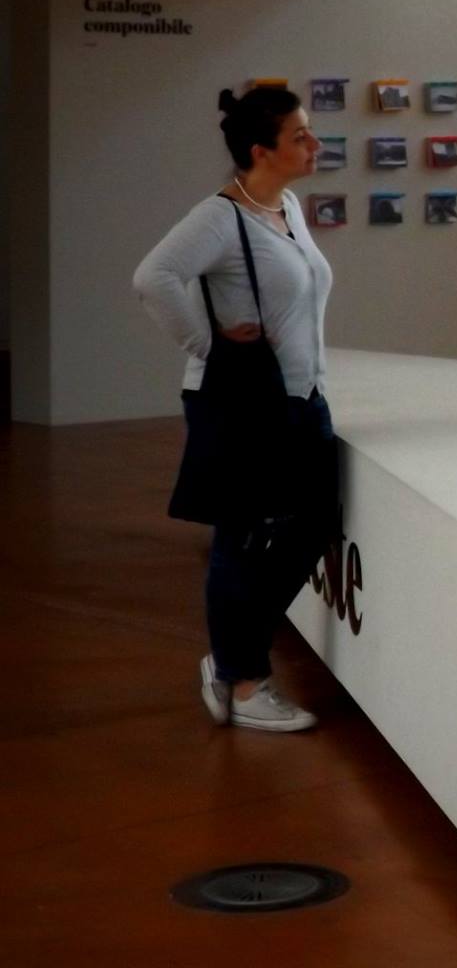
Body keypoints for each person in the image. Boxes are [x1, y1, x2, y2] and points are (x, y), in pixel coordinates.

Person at [134, 87, 335, 734]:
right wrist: (209, 343)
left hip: (301, 397)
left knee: (315, 522)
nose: (314, 143)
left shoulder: (288, 207)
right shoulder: (221, 217)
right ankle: (244, 682)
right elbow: (154, 276)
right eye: (299, 135)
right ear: (260, 150)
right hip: (244, 401)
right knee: (243, 536)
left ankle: (231, 656)